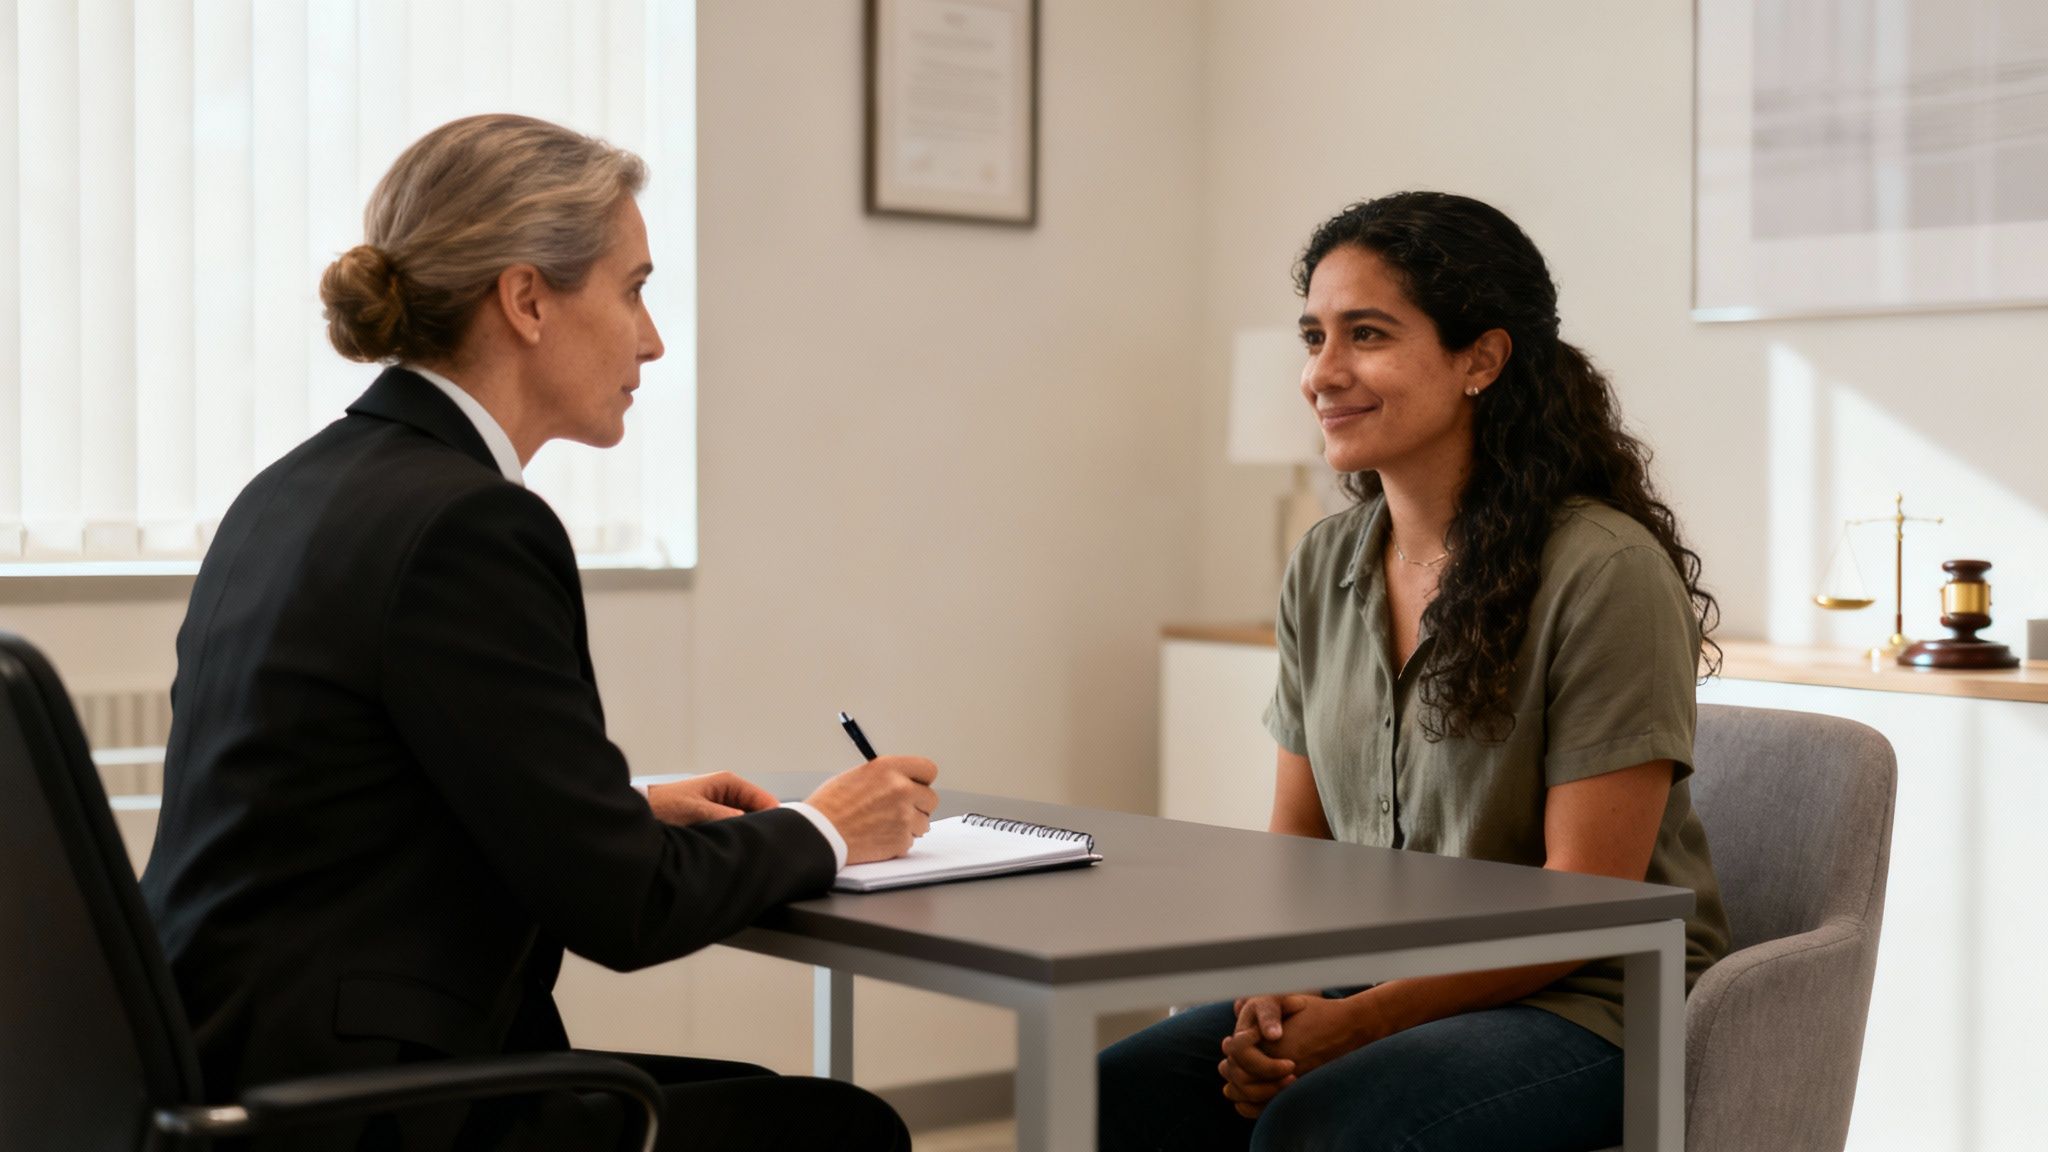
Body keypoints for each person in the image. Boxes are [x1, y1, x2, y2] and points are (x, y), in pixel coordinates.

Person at [140, 114, 930, 1151]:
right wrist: (831, 829)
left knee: (752, 1096)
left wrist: (613, 811)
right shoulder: (469, 523)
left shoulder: (291, 491)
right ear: (524, 299)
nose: (651, 338)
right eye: (634, 288)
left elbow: (344, 795)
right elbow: (626, 912)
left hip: (223, 1070)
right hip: (371, 1110)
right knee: (836, 1128)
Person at [1097, 192, 1732, 1152]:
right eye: (1314, 335)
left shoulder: (1602, 571)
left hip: (1589, 1000)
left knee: (1322, 1125)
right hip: (1376, 977)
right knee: (1117, 1089)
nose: (1322, 373)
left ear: (1481, 358)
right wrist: (1280, 988)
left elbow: (1588, 908)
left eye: (1367, 334)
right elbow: (1298, 843)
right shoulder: (1325, 564)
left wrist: (1362, 1020)